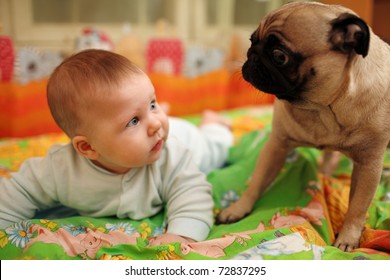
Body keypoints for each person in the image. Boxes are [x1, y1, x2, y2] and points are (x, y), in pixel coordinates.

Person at [0, 49, 233, 246]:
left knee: (217, 146)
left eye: (153, 103)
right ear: (88, 147)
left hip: (189, 139)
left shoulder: (173, 154)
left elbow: (192, 193)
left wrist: (181, 235)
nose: (154, 123)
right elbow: (17, 193)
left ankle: (213, 124)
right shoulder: (60, 169)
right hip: (162, 139)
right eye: (133, 120)